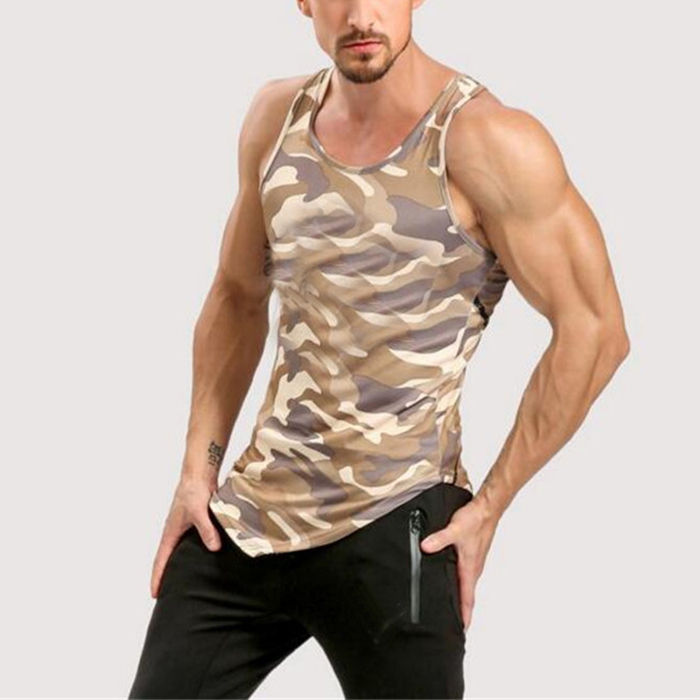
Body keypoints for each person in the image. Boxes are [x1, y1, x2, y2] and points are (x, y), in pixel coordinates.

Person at [128, 1, 630, 698]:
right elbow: (237, 296)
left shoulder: (487, 141)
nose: (362, 14)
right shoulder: (276, 118)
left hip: (399, 528)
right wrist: (196, 470)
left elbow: (595, 330)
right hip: (251, 522)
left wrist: (489, 505)